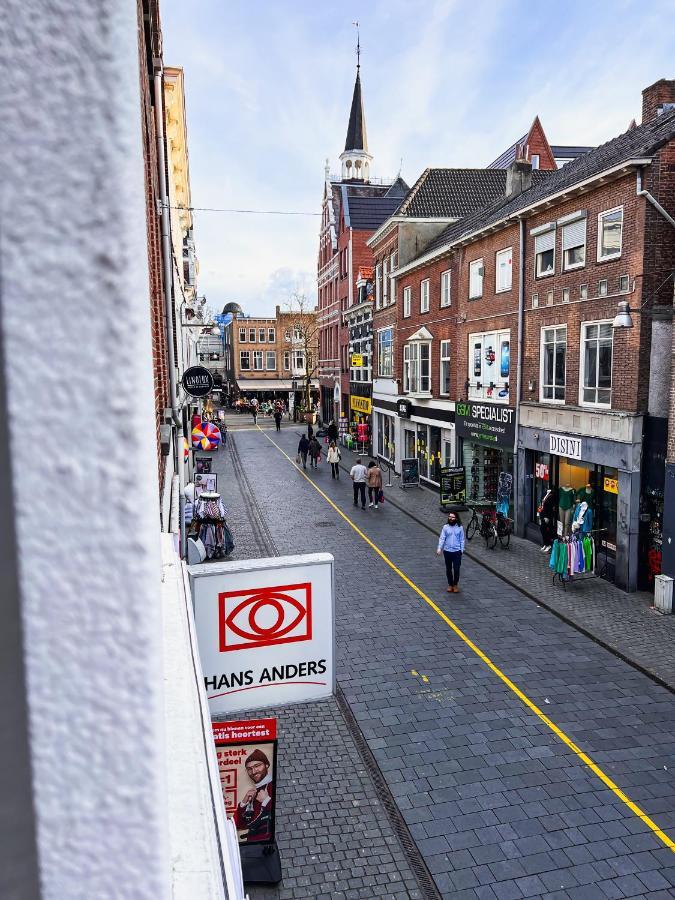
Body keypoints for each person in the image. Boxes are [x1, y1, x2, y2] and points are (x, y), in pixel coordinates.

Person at [233, 748, 274, 843]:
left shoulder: (272, 785)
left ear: (267, 765)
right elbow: (239, 825)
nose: (254, 771)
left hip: (265, 843)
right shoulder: (253, 793)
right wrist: (243, 803)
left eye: (257, 766)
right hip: (253, 844)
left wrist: (266, 800)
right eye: (249, 769)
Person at [436, 511, 465, 593]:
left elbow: (462, 540)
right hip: (447, 551)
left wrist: (461, 550)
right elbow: (442, 538)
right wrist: (439, 548)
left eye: (452, 517)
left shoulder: (460, 527)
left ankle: (455, 584)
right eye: (449, 517)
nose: (451, 518)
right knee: (448, 569)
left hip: (457, 552)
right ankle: (450, 584)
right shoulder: (445, 527)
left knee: (456, 569)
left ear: (456, 518)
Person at [538, 487, 558, 551]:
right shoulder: (545, 494)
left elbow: (550, 508)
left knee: (546, 529)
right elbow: (542, 504)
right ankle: (545, 544)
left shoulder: (552, 496)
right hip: (543, 514)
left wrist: (547, 517)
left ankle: (548, 544)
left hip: (547, 515)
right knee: (542, 529)